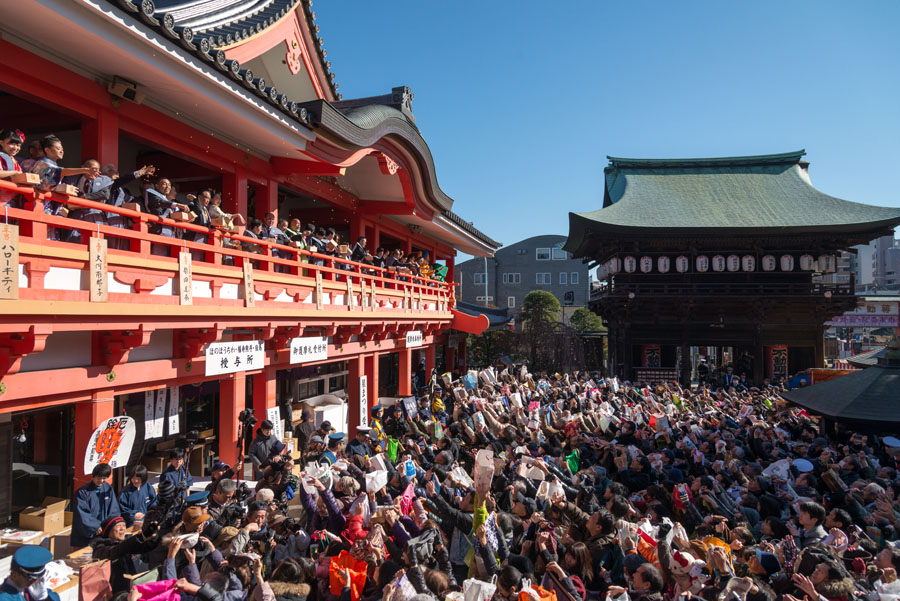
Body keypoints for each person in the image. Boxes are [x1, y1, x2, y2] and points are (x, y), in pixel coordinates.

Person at [71, 462, 121, 548]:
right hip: (88, 534)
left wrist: (111, 524)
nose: (101, 481)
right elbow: (82, 514)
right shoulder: (82, 493)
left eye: (104, 478)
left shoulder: (108, 488)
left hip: (105, 531)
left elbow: (114, 509)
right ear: (93, 476)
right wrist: (95, 526)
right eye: (98, 478)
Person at [0, 129, 25, 208]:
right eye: (11, 144)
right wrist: (14, 173)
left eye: (18, 145)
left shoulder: (14, 161)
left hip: (11, 200)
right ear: (1, 142)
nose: (15, 148)